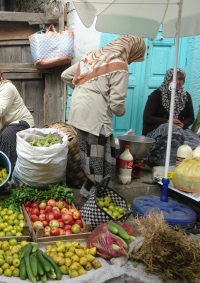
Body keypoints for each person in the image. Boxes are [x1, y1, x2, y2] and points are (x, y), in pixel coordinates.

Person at [61, 35, 146, 197]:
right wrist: (121, 111)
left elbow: (65, 75)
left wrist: (84, 90)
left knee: (90, 155)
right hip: (95, 116)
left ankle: (92, 195)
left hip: (79, 112)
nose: (133, 61)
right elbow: (116, 104)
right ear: (132, 50)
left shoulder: (91, 58)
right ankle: (93, 201)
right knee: (95, 160)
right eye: (136, 57)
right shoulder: (120, 65)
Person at [142, 67, 199, 166]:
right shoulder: (157, 95)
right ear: (167, 79)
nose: (177, 82)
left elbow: (190, 117)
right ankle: (161, 161)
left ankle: (186, 165)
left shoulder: (185, 96)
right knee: (173, 130)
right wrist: (168, 121)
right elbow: (147, 117)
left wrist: (182, 124)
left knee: (195, 142)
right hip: (155, 131)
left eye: (180, 79)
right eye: (173, 79)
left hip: (179, 129)